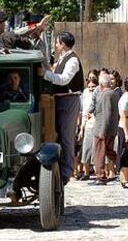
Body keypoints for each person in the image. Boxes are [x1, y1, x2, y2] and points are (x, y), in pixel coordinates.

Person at [39, 31, 84, 185]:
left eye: (57, 43)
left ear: (62, 44)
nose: (56, 45)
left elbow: (64, 80)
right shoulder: (62, 59)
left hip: (69, 100)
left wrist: (45, 74)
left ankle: (66, 171)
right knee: (57, 134)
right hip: (59, 100)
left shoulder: (72, 60)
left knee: (66, 136)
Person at [89, 74, 118, 185]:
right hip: (109, 129)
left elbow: (107, 113)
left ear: (100, 84)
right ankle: (126, 166)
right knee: (109, 152)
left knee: (99, 153)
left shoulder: (107, 94)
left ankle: (100, 176)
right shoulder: (112, 93)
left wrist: (102, 131)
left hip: (103, 128)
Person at [79, 77, 98, 180]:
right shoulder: (85, 95)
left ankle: (97, 172)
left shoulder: (99, 95)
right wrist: (82, 128)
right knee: (86, 148)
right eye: (89, 87)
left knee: (96, 149)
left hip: (97, 124)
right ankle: (86, 172)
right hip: (88, 124)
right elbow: (84, 113)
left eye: (93, 87)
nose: (91, 89)